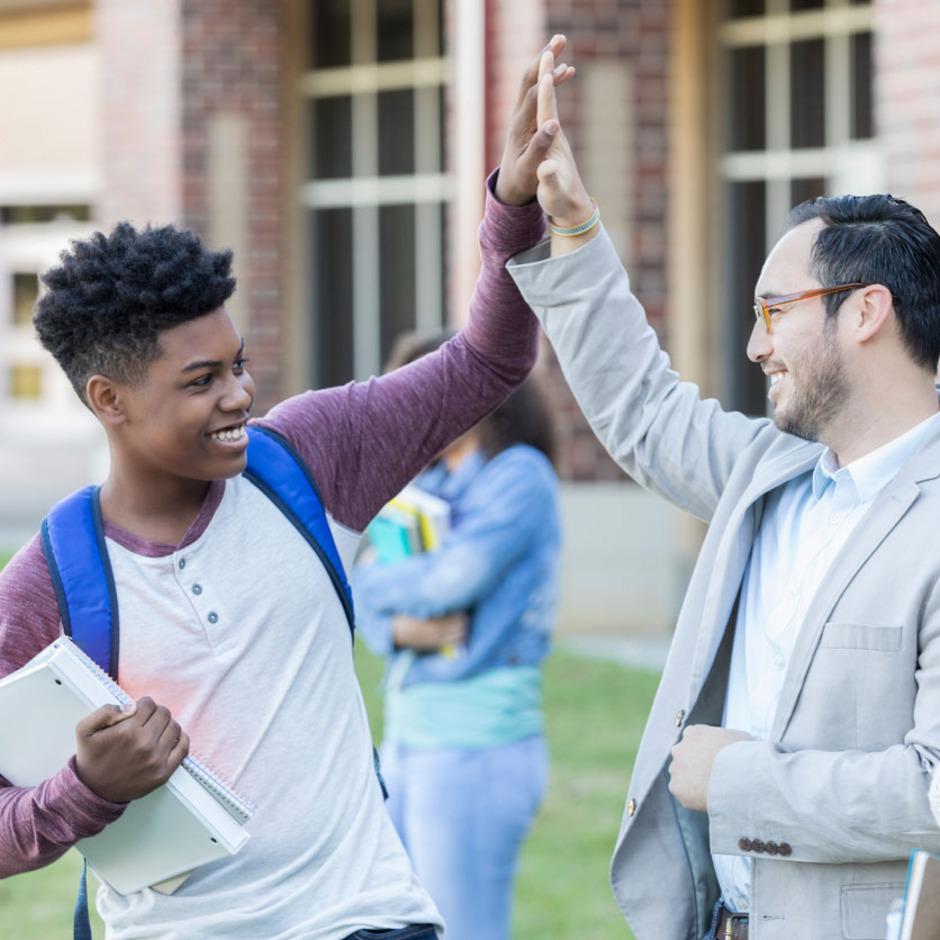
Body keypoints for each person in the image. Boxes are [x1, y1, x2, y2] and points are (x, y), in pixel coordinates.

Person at [0, 38, 576, 939]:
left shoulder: (308, 458)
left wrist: (509, 204)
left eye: (237, 365)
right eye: (200, 382)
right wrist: (84, 791)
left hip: (365, 917)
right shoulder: (54, 579)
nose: (238, 394)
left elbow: (488, 362)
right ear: (107, 400)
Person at [502, 43, 940, 940]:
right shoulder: (767, 476)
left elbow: (930, 790)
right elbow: (640, 408)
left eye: (773, 310)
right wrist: (574, 227)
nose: (756, 346)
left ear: (865, 310)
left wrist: (734, 781)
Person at [353, 332, 560, 940]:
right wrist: (398, 625)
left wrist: (381, 583)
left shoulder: (518, 477)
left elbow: (454, 578)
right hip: (410, 739)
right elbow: (358, 590)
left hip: (477, 746)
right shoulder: (428, 486)